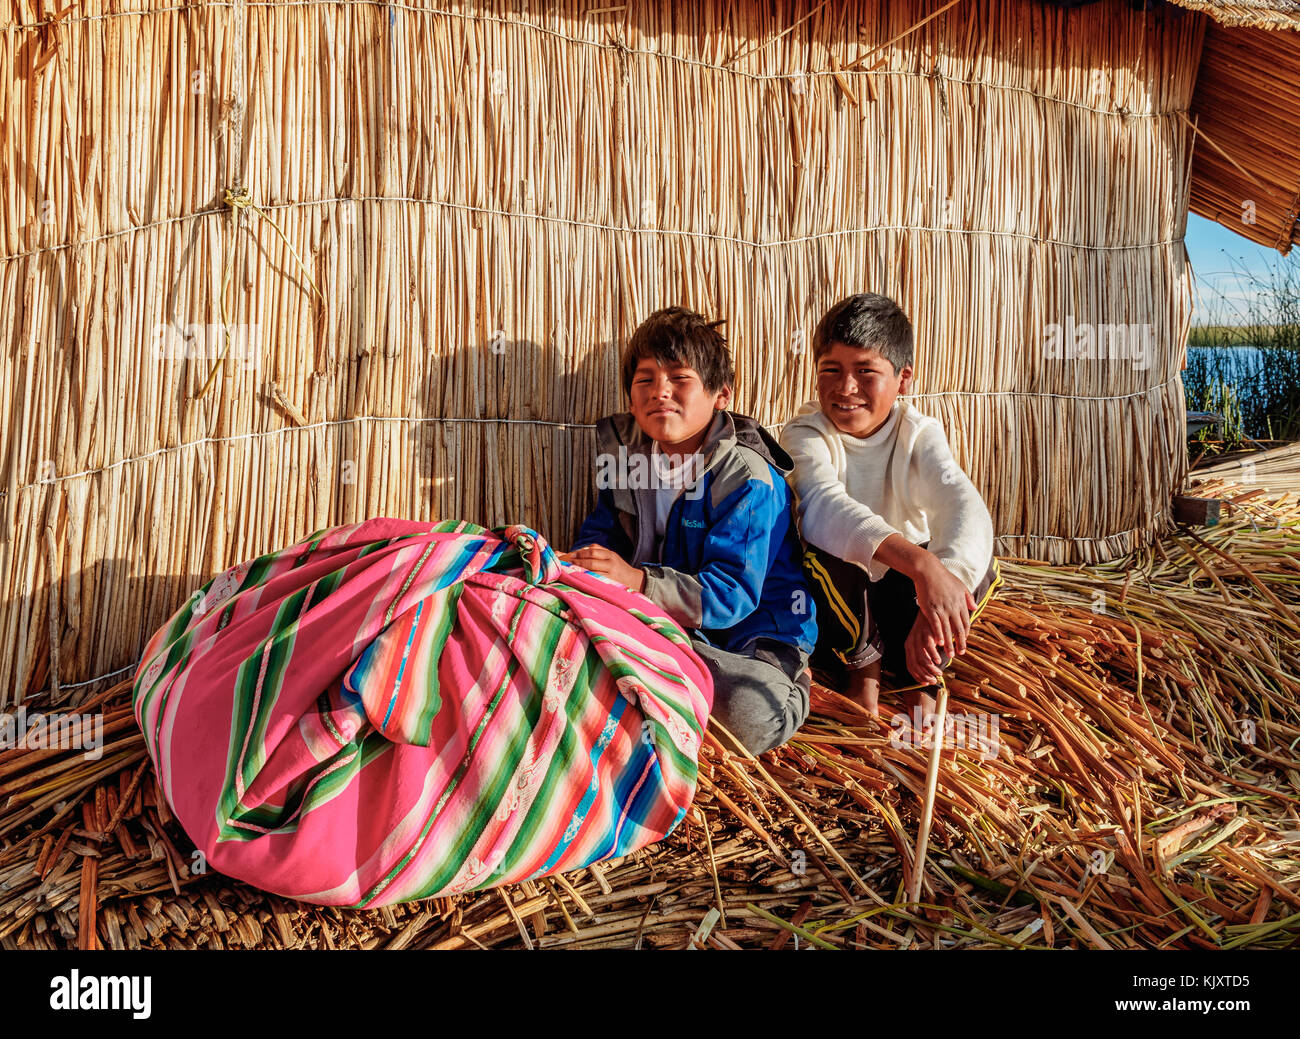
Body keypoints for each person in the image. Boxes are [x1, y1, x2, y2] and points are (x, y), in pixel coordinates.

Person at [561, 307, 817, 755]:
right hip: (659, 621)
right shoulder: (626, 459)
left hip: (746, 638)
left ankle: (792, 683)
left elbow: (732, 593)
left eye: (680, 379)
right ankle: (666, 670)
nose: (661, 392)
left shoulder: (745, 478)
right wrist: (581, 567)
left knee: (751, 714)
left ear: (721, 395)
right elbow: (601, 537)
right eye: (645, 380)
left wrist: (638, 583)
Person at [779, 293, 999, 719]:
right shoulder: (806, 433)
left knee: (978, 556)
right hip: (841, 606)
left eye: (866, 372)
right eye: (831, 370)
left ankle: (925, 666)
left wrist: (938, 583)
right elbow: (824, 507)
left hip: (907, 598)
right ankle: (865, 668)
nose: (845, 388)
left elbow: (961, 501)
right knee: (828, 553)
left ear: (903, 379)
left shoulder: (918, 433)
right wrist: (921, 565)